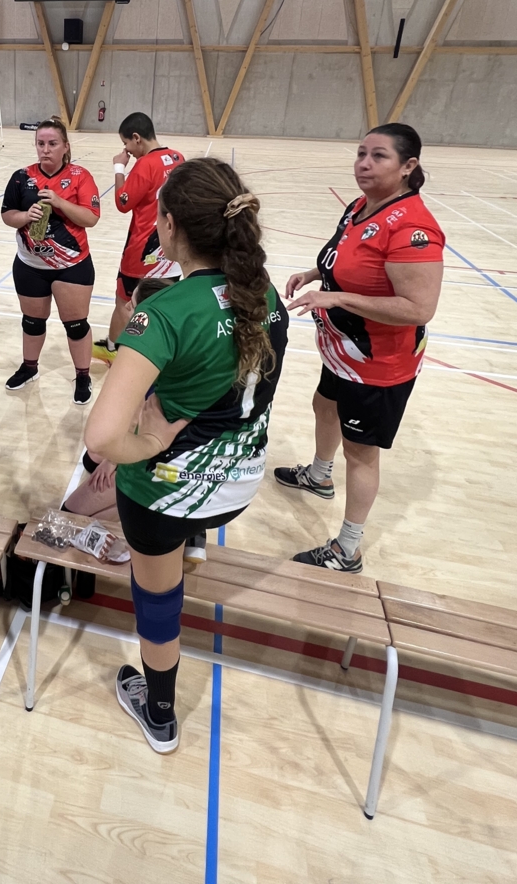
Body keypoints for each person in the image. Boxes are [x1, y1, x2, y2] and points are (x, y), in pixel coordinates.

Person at [85, 158, 288, 753]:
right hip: (241, 483)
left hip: (168, 495)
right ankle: (192, 536)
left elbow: (101, 438)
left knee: (157, 598)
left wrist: (149, 443)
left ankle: (161, 714)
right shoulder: (265, 293)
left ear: (170, 225)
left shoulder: (166, 312)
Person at [276, 123, 444, 574]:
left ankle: (347, 549)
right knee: (323, 405)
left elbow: (419, 308)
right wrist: (315, 274)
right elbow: (346, 257)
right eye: (360, 154)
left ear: (408, 166)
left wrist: (338, 298)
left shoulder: (413, 228)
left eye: (378, 156)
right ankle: (318, 475)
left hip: (378, 364)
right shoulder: (359, 206)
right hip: (343, 352)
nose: (364, 164)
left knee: (361, 454)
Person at [1, 117, 101, 405]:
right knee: (32, 321)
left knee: (76, 325)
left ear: (65, 146)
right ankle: (29, 367)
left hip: (71, 266)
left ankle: (82, 375)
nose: (45, 149)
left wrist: (59, 202)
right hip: (30, 265)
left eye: (52, 144)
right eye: (40, 143)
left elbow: (91, 218)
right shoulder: (21, 177)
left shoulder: (80, 176)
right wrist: (25, 216)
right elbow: (7, 215)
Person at [67, 278, 176, 525]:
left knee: (71, 514)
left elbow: (134, 421)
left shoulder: (143, 356)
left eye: (132, 303)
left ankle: (149, 507)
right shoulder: (170, 342)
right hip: (161, 441)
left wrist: (114, 461)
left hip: (166, 458)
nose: (126, 306)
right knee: (92, 459)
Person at [92, 112, 184, 364]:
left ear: (137, 138)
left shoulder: (146, 164)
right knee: (162, 304)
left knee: (125, 302)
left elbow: (123, 203)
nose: (127, 150)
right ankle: (157, 355)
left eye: (126, 144)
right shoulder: (178, 158)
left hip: (143, 249)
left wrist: (119, 167)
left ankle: (116, 352)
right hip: (171, 249)